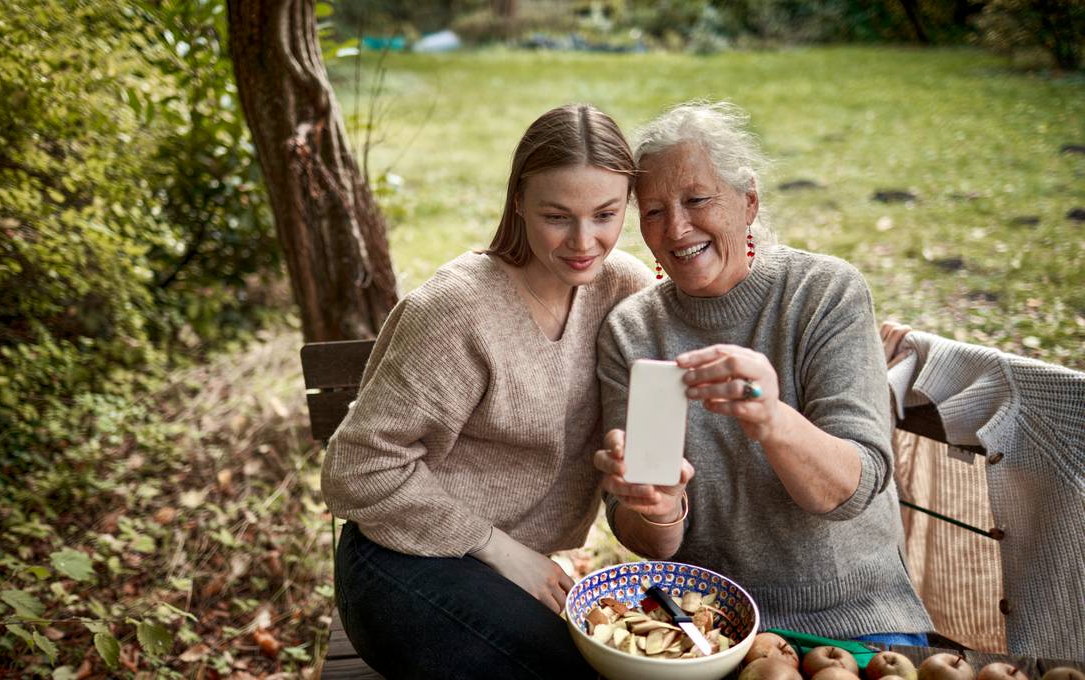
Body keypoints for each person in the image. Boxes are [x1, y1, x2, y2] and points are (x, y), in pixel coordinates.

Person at [320, 103, 651, 678]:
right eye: (557, 216)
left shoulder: (623, 288)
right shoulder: (455, 311)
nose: (584, 241)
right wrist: (497, 548)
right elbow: (354, 469)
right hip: (404, 563)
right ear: (517, 201)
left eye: (605, 214)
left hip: (513, 576)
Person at [593, 101, 933, 643]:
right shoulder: (631, 331)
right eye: (653, 211)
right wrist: (656, 507)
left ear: (748, 201)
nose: (677, 228)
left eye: (697, 199)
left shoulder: (823, 294)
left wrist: (772, 419)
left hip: (852, 622)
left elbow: (852, 490)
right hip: (705, 627)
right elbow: (646, 539)